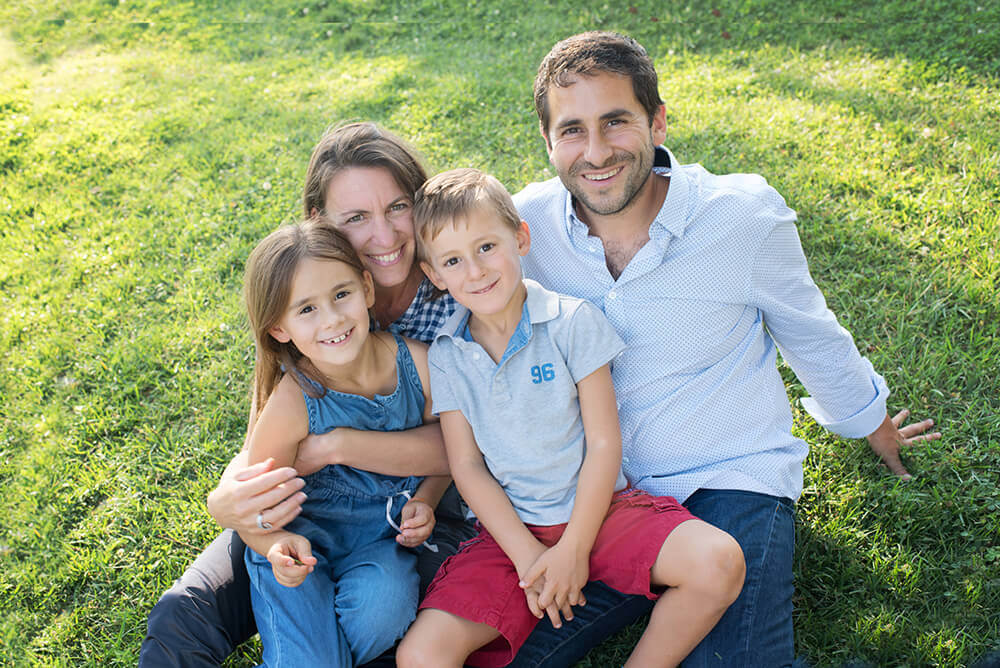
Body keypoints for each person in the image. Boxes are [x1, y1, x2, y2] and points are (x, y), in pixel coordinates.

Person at [501, 31, 943, 666]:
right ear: (547, 141)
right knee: (505, 650)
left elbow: (810, 334)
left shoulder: (741, 217)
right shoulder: (523, 231)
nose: (595, 153)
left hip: (725, 479)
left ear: (656, 121)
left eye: (616, 122)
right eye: (572, 130)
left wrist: (870, 420)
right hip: (599, 499)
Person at [139, 123, 472, 667]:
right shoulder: (304, 283)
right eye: (357, 218)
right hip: (301, 525)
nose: (385, 236)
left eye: (398, 207)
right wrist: (227, 504)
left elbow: (462, 446)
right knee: (186, 616)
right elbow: (263, 460)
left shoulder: (456, 295)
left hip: (400, 528)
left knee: (385, 615)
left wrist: (342, 445)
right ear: (322, 223)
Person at [396, 168, 745, 668]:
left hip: (602, 514)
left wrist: (574, 549)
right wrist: (529, 559)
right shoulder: (449, 356)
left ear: (520, 237)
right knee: (421, 655)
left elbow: (605, 443)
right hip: (509, 534)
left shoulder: (571, 320)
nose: (474, 271)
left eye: (486, 247)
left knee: (719, 561)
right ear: (435, 275)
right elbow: (467, 467)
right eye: (453, 260)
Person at [238, 220, 450, 666]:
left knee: (385, 609)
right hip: (297, 543)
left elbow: (450, 451)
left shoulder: (417, 363)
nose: (333, 319)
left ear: (367, 289)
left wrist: (427, 500)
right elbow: (252, 512)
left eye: (341, 295)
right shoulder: (293, 401)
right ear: (279, 328)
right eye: (307, 309)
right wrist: (274, 549)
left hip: (378, 542)